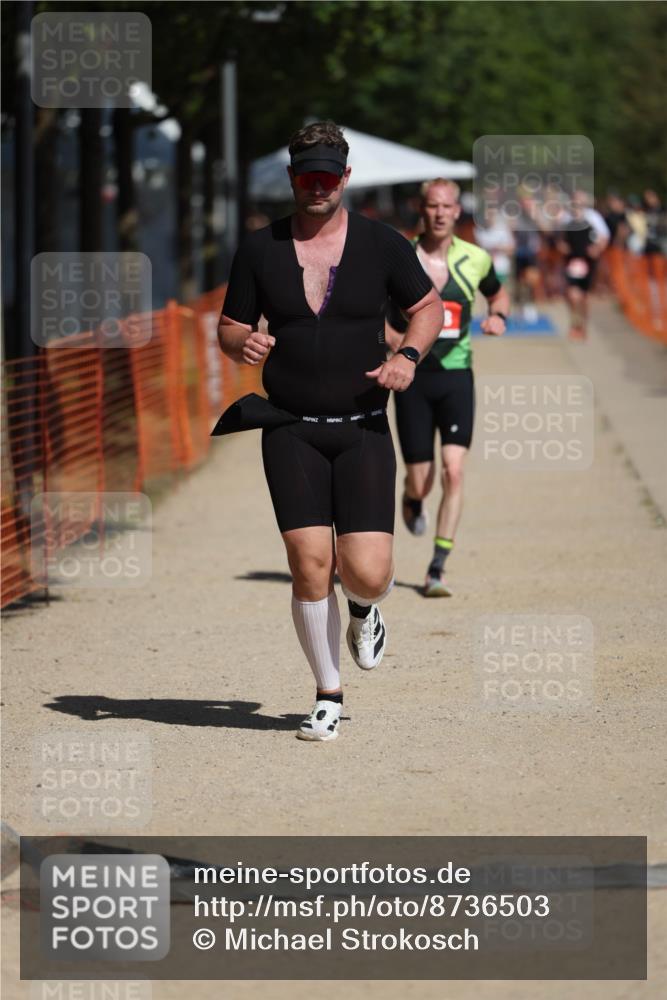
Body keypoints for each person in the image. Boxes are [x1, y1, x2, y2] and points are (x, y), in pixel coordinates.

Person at [217, 122, 442, 741]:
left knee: (364, 571)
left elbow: (427, 309)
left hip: (364, 424)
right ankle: (327, 694)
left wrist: (409, 359)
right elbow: (230, 325)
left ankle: (366, 610)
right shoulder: (260, 250)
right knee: (310, 563)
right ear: (293, 179)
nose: (317, 187)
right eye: (306, 177)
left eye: (328, 177)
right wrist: (244, 342)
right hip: (289, 427)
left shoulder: (382, 244)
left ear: (345, 179)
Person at [387, 179, 509, 597]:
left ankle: (437, 567)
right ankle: (412, 497)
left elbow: (499, 295)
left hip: (457, 377)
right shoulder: (400, 256)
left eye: (448, 207)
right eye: (432, 206)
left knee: (453, 472)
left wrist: (499, 318)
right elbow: (376, 312)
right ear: (422, 210)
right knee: (421, 480)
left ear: (458, 212)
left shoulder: (476, 258)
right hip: (413, 379)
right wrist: (398, 343)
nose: (440, 213)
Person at [557, 191, 609, 339]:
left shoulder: (593, 218)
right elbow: (560, 238)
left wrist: (597, 249)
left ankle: (582, 325)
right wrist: (562, 246)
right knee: (572, 295)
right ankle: (575, 323)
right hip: (572, 261)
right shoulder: (566, 219)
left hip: (588, 262)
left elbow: (604, 237)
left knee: (583, 297)